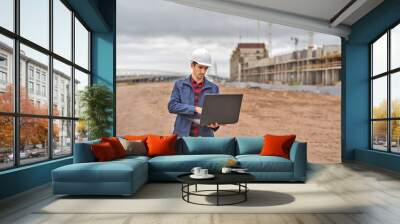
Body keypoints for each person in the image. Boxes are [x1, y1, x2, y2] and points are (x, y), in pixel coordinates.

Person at [168, 48, 220, 137]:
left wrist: (215, 126)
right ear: (192, 65)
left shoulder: (214, 88)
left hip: (204, 139)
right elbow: (172, 106)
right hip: (182, 136)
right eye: (200, 67)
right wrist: (195, 109)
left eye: (206, 68)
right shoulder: (180, 85)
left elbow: (214, 114)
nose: (203, 71)